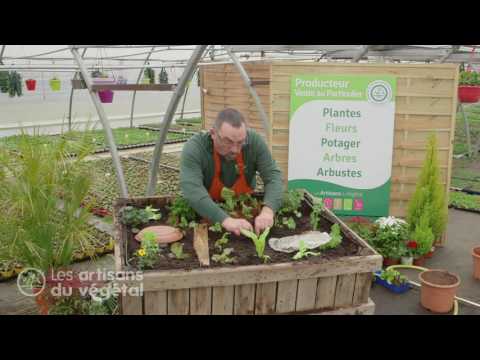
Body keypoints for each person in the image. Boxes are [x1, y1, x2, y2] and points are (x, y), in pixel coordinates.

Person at [179, 108, 284, 236]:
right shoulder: (196, 148)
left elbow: (273, 176)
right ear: (213, 133)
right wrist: (226, 220)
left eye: (240, 142)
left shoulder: (254, 142)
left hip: (245, 211)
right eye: (228, 141)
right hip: (207, 212)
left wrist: (268, 212)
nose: (235, 149)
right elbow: (192, 189)